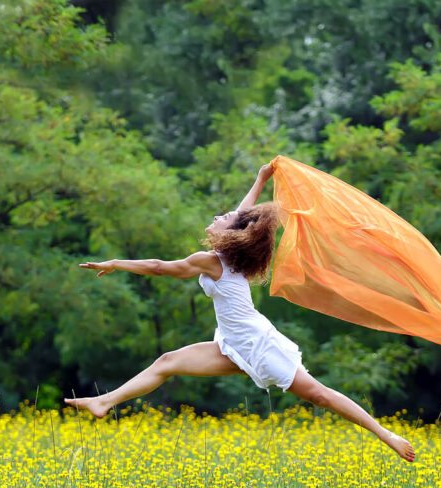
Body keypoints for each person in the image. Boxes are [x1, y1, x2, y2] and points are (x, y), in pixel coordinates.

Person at [64, 163, 416, 462]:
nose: (218, 216)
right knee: (168, 361)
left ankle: (385, 435)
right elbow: (243, 215)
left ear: (232, 234)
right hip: (233, 343)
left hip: (256, 343)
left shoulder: (213, 261)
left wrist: (115, 263)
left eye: (224, 217)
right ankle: (104, 402)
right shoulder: (229, 257)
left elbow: (158, 266)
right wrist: (261, 179)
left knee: (320, 395)